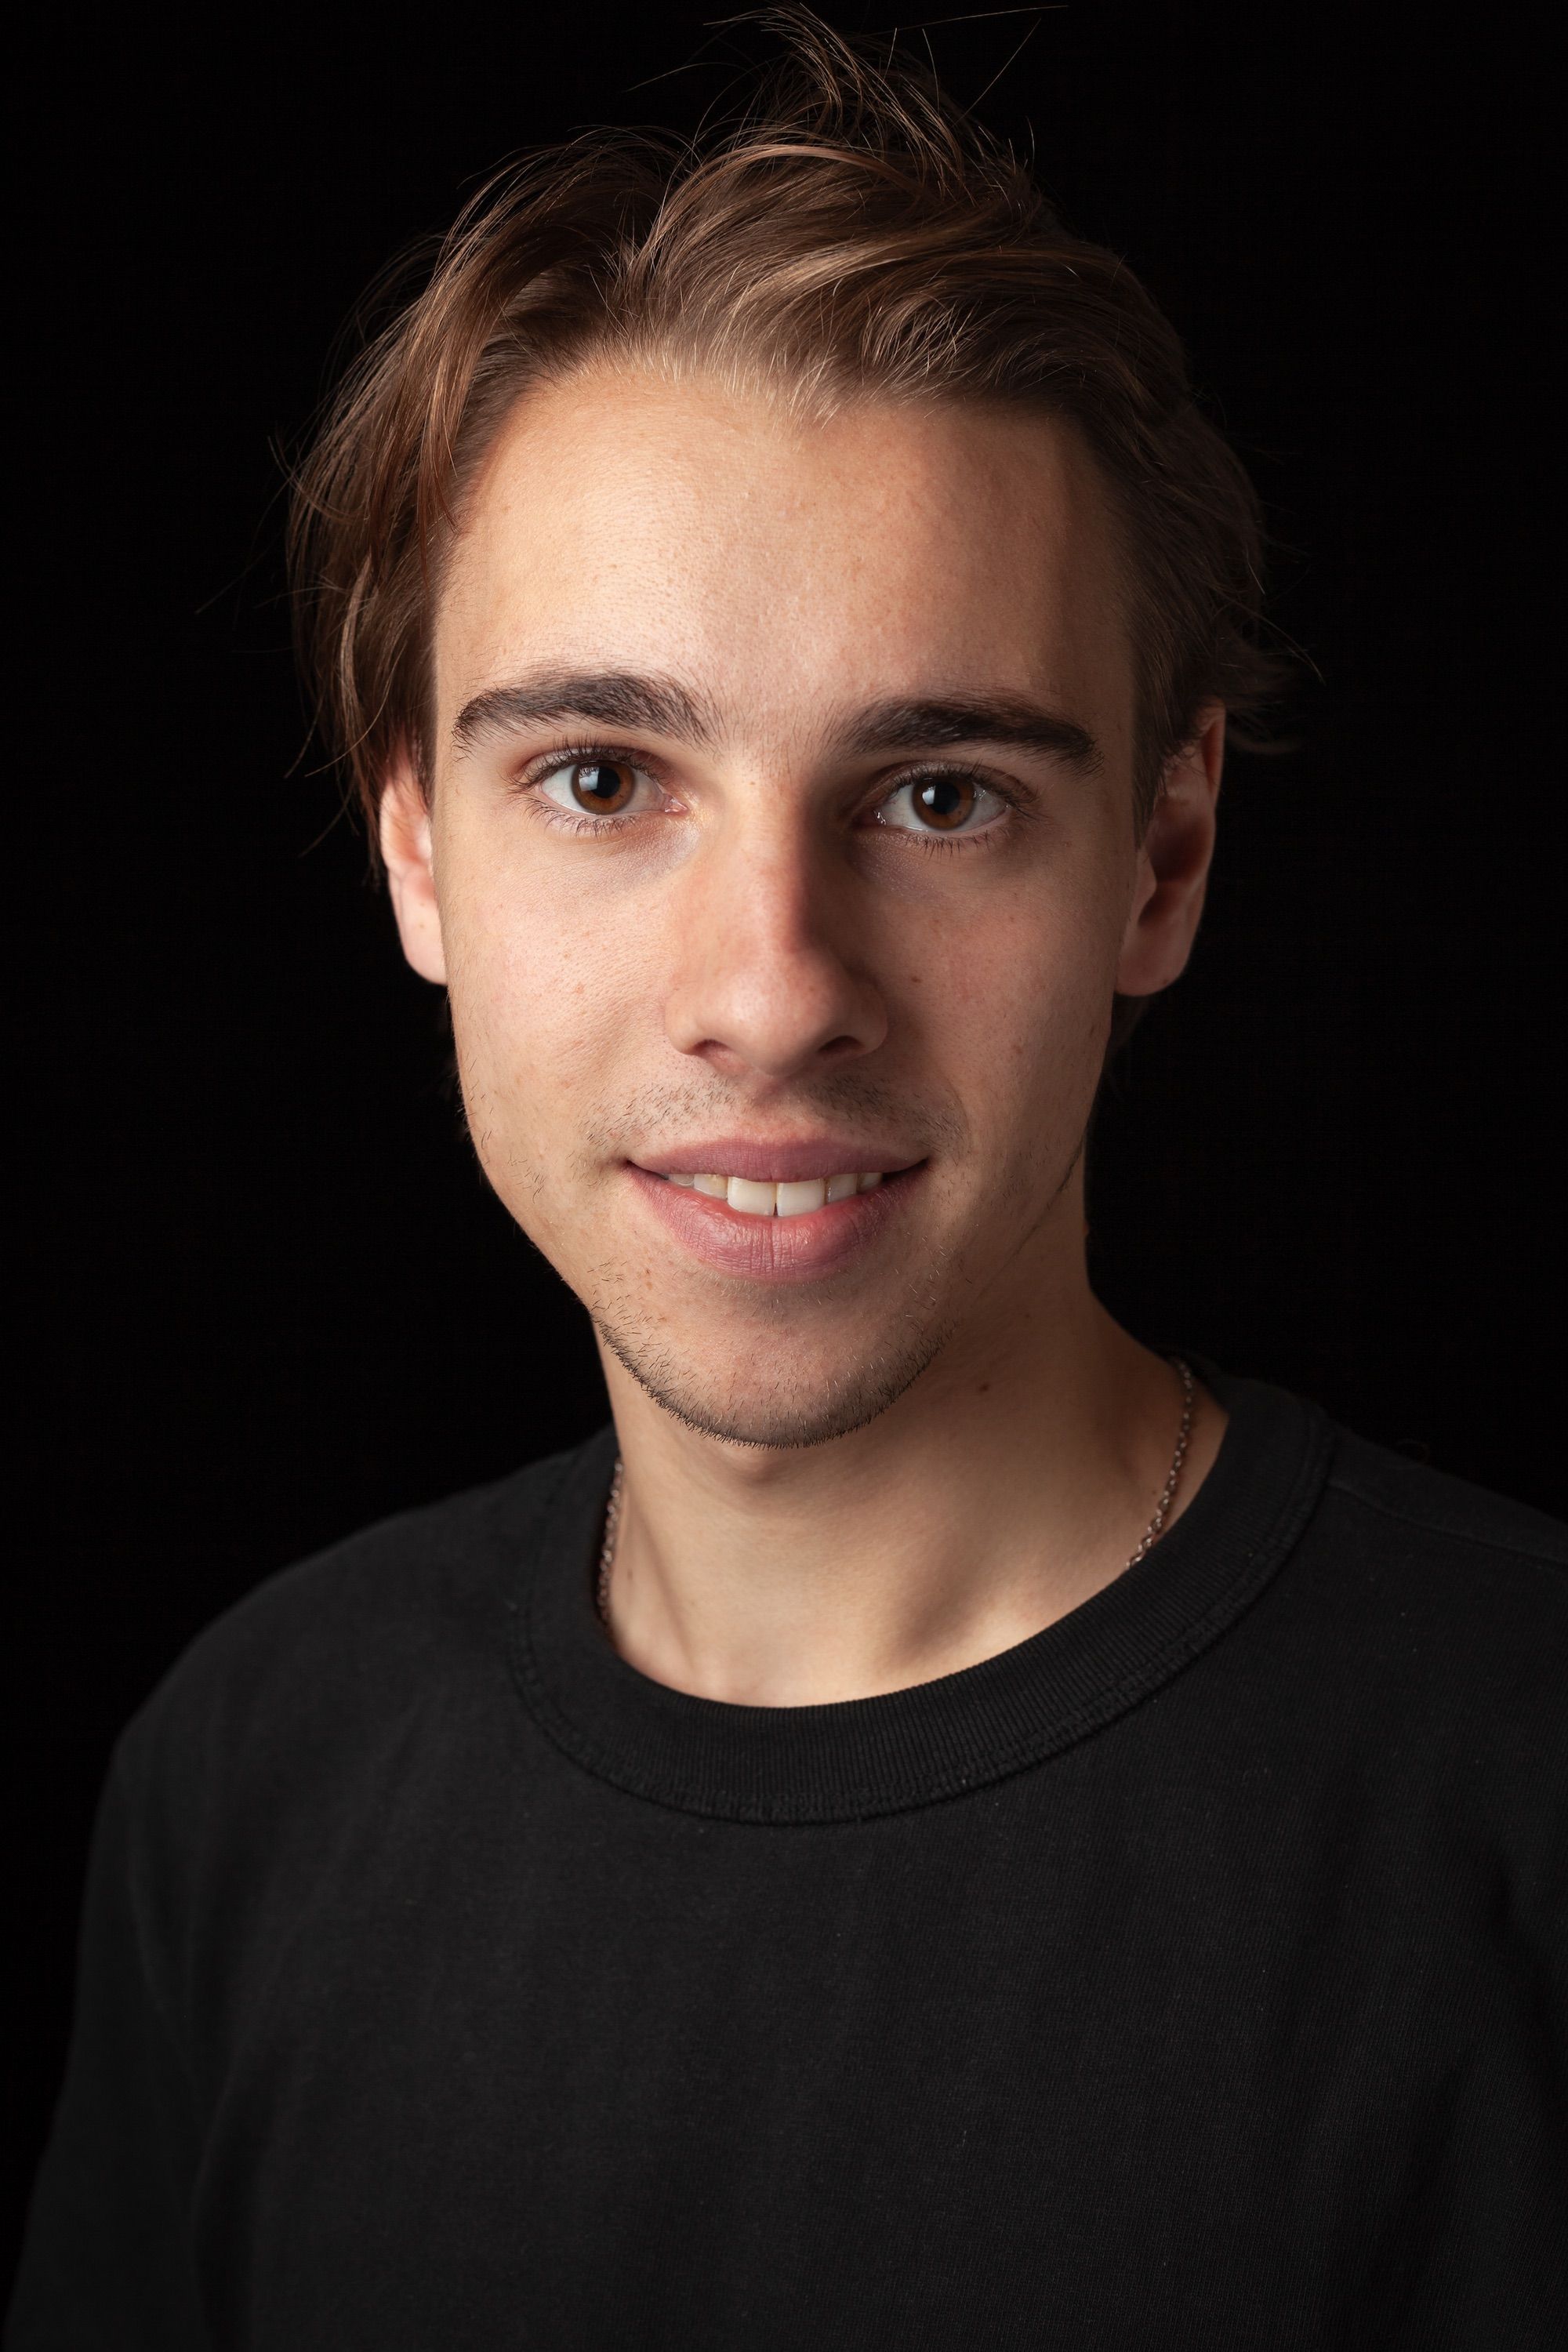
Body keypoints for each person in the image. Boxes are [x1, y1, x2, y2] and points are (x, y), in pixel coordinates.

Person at [10, 14, 1565, 2347]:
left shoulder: (1526, 1799)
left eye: (940, 795)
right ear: (415, 845)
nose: (771, 991)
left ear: (1164, 855)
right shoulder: (251, 1776)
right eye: (604, 781)